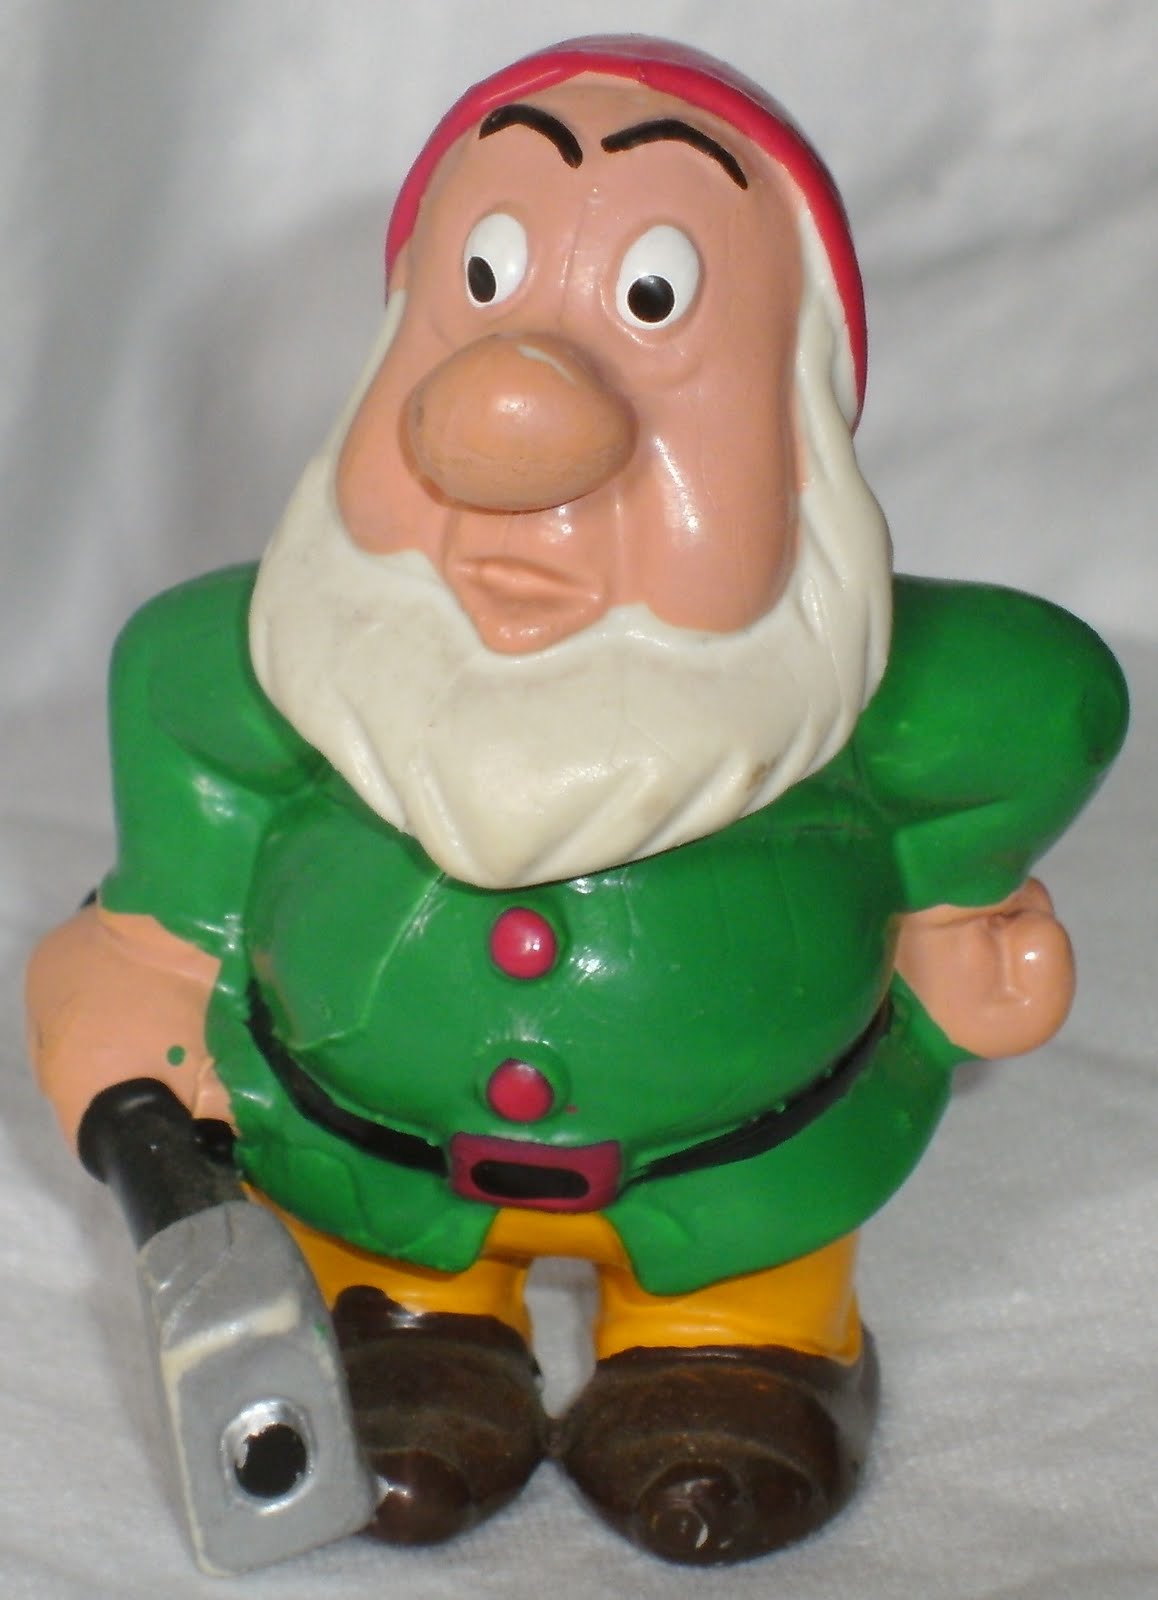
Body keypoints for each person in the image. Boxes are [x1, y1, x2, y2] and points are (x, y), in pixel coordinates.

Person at [27, 36, 1127, 1566]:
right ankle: (415, 1331)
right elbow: (178, 779)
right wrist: (154, 957)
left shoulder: (882, 702)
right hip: (367, 1170)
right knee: (382, 1311)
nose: (510, 427)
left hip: (740, 1181)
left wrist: (950, 909)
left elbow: (1048, 704)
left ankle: (728, 1349)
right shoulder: (249, 673)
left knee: (733, 1335)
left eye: (654, 303)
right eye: (478, 284)